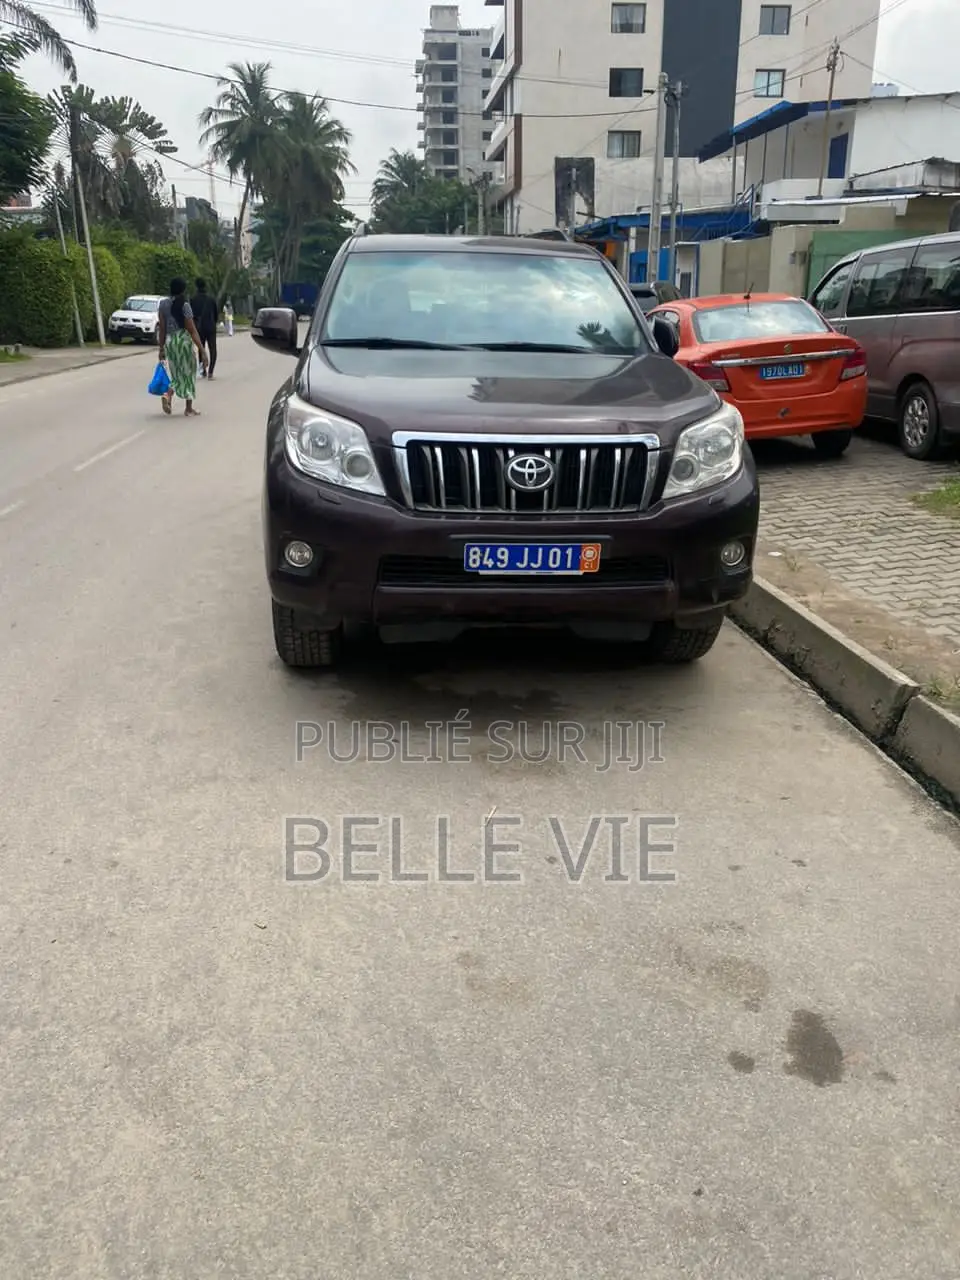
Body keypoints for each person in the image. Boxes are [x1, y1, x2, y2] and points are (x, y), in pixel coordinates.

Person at [157, 278, 207, 416]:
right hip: (183, 341)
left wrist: (161, 348)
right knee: (189, 373)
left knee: (177, 373)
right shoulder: (185, 305)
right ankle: (187, 407)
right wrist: (202, 350)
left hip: (170, 341)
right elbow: (191, 329)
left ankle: (168, 397)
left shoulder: (162, 304)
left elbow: (161, 328)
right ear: (183, 290)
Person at [190, 277, 219, 379]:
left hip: (199, 328)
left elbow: (191, 315)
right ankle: (211, 372)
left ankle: (203, 371)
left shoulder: (193, 299)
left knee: (201, 348)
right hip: (210, 326)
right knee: (213, 349)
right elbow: (216, 314)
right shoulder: (211, 299)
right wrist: (213, 322)